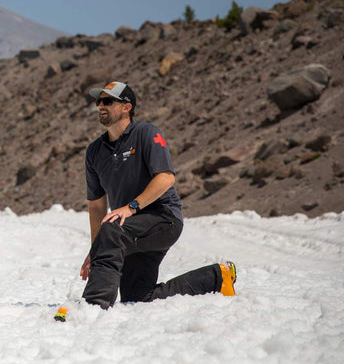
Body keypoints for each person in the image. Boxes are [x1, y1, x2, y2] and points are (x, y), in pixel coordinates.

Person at [55, 81, 236, 319]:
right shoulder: (95, 151)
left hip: (163, 219)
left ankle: (93, 307)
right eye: (98, 101)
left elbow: (166, 178)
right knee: (138, 297)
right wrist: (96, 249)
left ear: (126, 107)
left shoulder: (146, 133)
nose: (100, 106)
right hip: (130, 228)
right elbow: (97, 204)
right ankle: (217, 277)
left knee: (112, 228)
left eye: (108, 101)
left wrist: (131, 208)